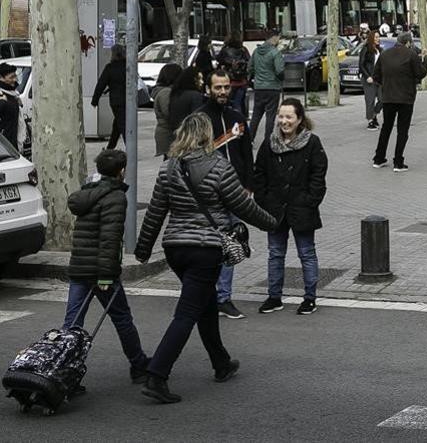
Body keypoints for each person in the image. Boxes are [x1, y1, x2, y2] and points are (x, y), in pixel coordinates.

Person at [134, 113, 280, 404]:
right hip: (205, 250)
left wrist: (143, 248)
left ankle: (221, 363)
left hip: (175, 248)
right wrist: (272, 223)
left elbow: (155, 211)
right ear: (206, 135)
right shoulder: (218, 167)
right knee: (187, 312)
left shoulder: (169, 168)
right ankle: (157, 375)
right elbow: (243, 206)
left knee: (206, 304)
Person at [63, 149, 150, 385]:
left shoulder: (86, 191)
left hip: (79, 267)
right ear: (121, 172)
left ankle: (63, 374)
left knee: (72, 325)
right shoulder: (115, 197)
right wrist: (105, 276)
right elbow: (110, 240)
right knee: (122, 318)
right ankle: (139, 365)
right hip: (101, 272)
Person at [253, 98, 328, 316]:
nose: (284, 121)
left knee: (307, 253)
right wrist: (264, 200)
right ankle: (274, 296)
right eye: (281, 116)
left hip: (301, 208)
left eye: (289, 117)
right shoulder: (269, 143)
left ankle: (310, 298)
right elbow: (260, 174)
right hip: (275, 208)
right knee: (275, 253)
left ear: (299, 119)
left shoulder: (312, 143)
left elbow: (318, 175)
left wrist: (309, 200)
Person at [195, 70, 255, 320]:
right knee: (207, 246)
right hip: (208, 194)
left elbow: (246, 153)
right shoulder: (199, 119)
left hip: (234, 191)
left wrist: (248, 185)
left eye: (226, 87)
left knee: (231, 244)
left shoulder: (237, 117)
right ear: (209, 89)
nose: (222, 92)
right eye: (218, 87)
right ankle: (205, 296)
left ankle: (224, 298)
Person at [372, 31, 427, 172]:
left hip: (388, 98)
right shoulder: (411, 55)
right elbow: (420, 73)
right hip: (406, 98)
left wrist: (386, 85)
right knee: (402, 130)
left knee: (386, 128)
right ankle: (398, 162)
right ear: (409, 42)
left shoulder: (384, 54)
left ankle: (378, 158)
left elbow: (376, 75)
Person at [249, 28, 285, 144]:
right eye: (279, 37)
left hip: (259, 87)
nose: (279, 40)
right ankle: (267, 141)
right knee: (270, 116)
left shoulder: (256, 51)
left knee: (256, 115)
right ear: (274, 38)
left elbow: (250, 68)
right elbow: (280, 71)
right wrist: (281, 80)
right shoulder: (275, 53)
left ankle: (250, 139)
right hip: (272, 87)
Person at [91, 45, 128, 150]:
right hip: (128, 100)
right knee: (118, 124)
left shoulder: (110, 67)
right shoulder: (128, 66)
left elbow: (101, 84)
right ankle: (110, 148)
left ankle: (127, 147)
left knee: (121, 124)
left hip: (116, 100)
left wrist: (95, 100)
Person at [216, 32, 252, 116]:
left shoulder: (225, 50)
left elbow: (218, 59)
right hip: (241, 81)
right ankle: (240, 121)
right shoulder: (243, 49)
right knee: (238, 103)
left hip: (229, 80)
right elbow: (249, 62)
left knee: (228, 103)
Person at [153, 63, 183, 158]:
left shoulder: (166, 91)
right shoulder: (166, 93)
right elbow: (169, 113)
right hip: (168, 134)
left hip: (169, 133)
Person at [167, 66, 207, 133]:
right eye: (199, 79)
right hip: (191, 133)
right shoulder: (195, 95)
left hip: (177, 133)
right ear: (193, 80)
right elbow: (198, 118)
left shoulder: (176, 94)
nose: (202, 82)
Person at [359, 30, 383, 130]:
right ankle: (370, 121)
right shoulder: (366, 49)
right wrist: (367, 76)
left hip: (379, 79)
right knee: (370, 100)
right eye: (376, 37)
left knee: (383, 99)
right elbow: (361, 64)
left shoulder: (380, 50)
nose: (378, 39)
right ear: (371, 38)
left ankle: (373, 114)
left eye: (379, 37)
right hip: (369, 78)